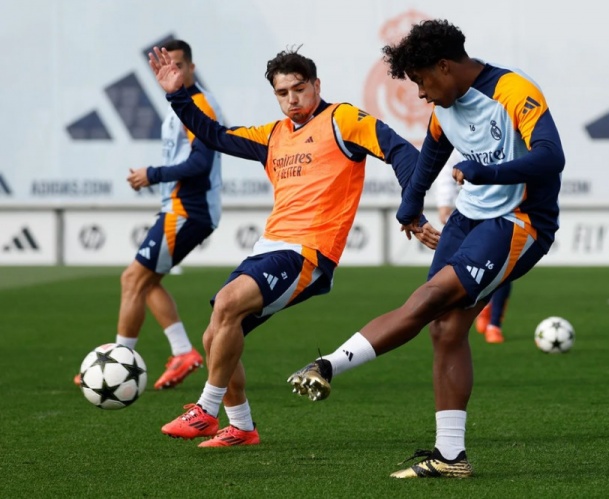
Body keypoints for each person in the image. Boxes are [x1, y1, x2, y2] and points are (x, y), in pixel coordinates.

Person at [288, 19, 565, 478]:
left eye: (421, 80)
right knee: (444, 327)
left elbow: (552, 156)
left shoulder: (513, 91)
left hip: (520, 221)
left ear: (444, 66)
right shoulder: (444, 107)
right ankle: (451, 457)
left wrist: (487, 173)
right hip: (468, 219)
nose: (419, 93)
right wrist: (410, 205)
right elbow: (431, 156)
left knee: (431, 298)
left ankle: (328, 365)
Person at [147, 46, 439, 447]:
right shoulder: (273, 135)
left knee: (228, 303)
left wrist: (411, 208)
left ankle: (205, 410)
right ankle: (242, 427)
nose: (292, 99)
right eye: (282, 93)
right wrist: (178, 96)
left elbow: (401, 151)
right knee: (216, 334)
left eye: (299, 89)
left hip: (308, 252)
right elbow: (215, 135)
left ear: (316, 85)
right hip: (269, 247)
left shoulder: (342, 119)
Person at [74, 39, 223, 390]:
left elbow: (201, 163)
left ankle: (115, 365)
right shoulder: (179, 104)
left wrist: (152, 174)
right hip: (179, 208)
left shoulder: (199, 104)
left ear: (191, 68)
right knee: (146, 282)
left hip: (189, 210)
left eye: (178, 66)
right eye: (164, 67)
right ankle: (183, 352)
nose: (171, 72)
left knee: (132, 280)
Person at [434, 151, 511, 344]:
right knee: (460, 269)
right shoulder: (462, 138)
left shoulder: (508, 137)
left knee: (503, 267)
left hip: (503, 209)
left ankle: (494, 324)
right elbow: (448, 166)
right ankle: (480, 306)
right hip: (468, 211)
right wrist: (444, 202)